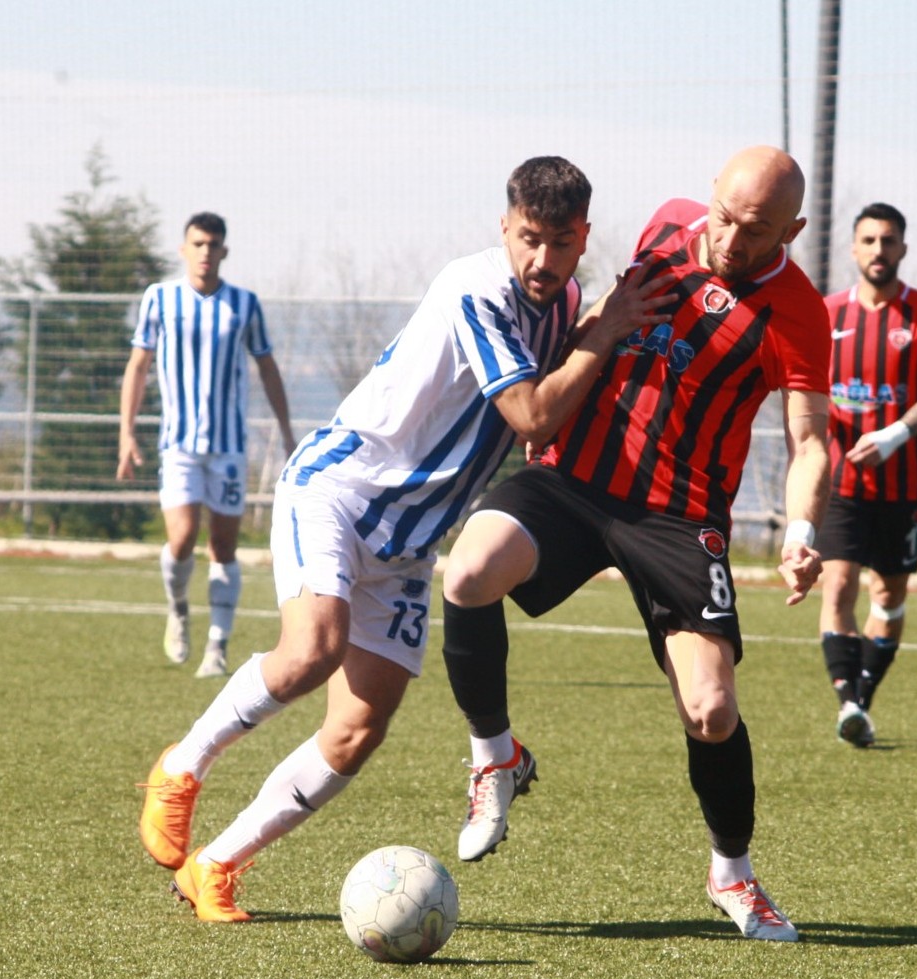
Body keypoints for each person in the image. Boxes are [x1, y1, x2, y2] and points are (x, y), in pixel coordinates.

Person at [135, 156, 673, 923]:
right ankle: (182, 767)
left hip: (408, 544)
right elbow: (530, 415)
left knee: (356, 729)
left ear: (584, 237)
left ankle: (215, 864)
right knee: (312, 648)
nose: (542, 260)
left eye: (560, 243)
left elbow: (556, 405)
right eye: (529, 238)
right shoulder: (476, 287)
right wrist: (606, 330)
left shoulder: (567, 305)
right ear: (504, 225)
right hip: (338, 490)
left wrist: (599, 329)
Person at [441, 146, 831, 943]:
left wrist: (801, 532)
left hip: (680, 518)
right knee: (470, 569)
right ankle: (495, 757)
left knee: (712, 709)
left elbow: (811, 438)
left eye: (752, 229)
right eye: (721, 214)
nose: (726, 236)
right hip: (576, 480)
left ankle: (734, 873)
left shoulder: (798, 311)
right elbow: (598, 320)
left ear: (790, 228)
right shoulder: (666, 226)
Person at [117, 213, 298, 679]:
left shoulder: (243, 304)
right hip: (178, 443)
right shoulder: (160, 298)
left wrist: (286, 430)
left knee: (223, 546)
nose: (204, 252)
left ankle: (216, 646)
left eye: (213, 244)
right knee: (181, 538)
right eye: (197, 243)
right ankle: (178, 609)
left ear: (224, 252)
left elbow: (267, 366)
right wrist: (127, 431)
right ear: (183, 249)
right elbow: (139, 365)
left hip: (229, 447)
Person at [815, 203, 917, 748]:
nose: (879, 250)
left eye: (889, 240)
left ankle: (861, 701)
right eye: (869, 240)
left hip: (906, 486)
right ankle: (848, 700)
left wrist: (893, 435)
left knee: (889, 596)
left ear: (903, 248)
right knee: (840, 585)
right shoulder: (827, 315)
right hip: (843, 486)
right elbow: (804, 390)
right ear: (854, 249)